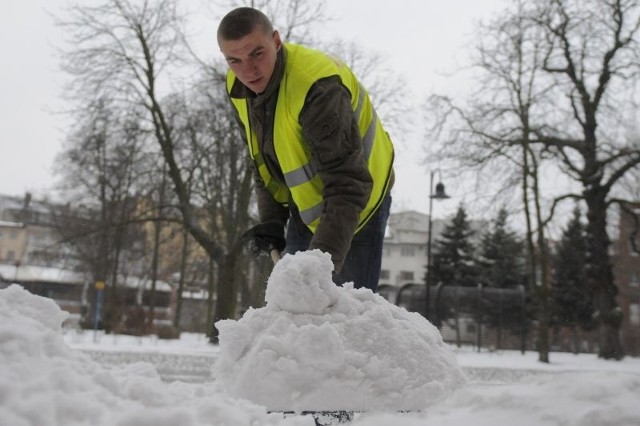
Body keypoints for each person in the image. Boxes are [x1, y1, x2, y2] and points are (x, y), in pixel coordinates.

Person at [217, 7, 394, 292]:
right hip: (307, 206)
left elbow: (348, 184)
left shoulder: (317, 88)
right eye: (234, 60)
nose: (247, 71)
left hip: (358, 206)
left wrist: (318, 268)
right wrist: (273, 221)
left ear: (276, 41)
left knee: (347, 318)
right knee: (297, 314)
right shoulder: (237, 86)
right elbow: (260, 160)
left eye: (257, 54)